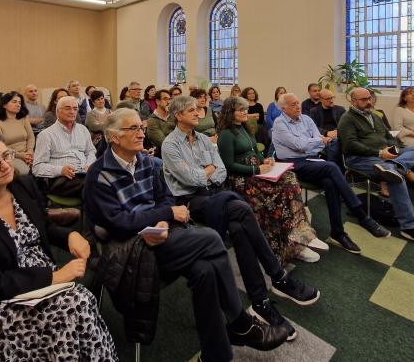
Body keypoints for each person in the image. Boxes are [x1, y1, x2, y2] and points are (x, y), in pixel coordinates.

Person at [84, 108, 288, 362]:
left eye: (142, 128)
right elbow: (119, 223)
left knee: (205, 271)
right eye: (133, 129)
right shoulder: (99, 174)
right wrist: (166, 214)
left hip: (162, 234)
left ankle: (216, 355)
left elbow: (166, 197)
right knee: (212, 238)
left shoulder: (148, 163)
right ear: (114, 137)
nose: (141, 134)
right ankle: (240, 323)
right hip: (130, 249)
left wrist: (162, 218)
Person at [0, 132, 117, 362]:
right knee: (74, 305)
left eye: (6, 155)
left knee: (76, 302)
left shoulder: (21, 185)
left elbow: (42, 225)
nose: (5, 166)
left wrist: (70, 235)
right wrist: (54, 277)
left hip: (42, 286)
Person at [162, 96, 320, 343]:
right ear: (178, 115)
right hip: (190, 203)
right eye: (191, 110)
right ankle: (277, 277)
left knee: (239, 227)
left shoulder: (203, 139)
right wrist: (208, 171)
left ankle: (261, 302)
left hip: (214, 195)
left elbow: (221, 170)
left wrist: (207, 172)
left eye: (198, 109)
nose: (198, 112)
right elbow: (191, 180)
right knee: (241, 209)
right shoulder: (170, 144)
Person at [272, 93, 391, 254]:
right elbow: (299, 145)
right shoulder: (280, 124)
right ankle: (361, 215)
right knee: (332, 167)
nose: (298, 106)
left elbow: (318, 145)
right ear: (283, 108)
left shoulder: (306, 119)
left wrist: (314, 143)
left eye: (298, 102)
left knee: (330, 182)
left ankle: (338, 232)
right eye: (293, 105)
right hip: (291, 164)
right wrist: (316, 141)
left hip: (312, 160)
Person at [217, 96, 323, 264]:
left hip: (258, 172)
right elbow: (228, 165)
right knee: (282, 196)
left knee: (290, 178)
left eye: (246, 109)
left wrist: (264, 160)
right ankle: (292, 244)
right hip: (242, 180)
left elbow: (255, 151)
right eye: (241, 110)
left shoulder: (244, 128)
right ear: (230, 113)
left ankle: (301, 233)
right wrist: (255, 169)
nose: (246, 112)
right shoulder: (225, 134)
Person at [338, 87, 414, 247]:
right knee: (394, 177)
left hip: (386, 156)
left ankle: (395, 165)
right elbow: (350, 146)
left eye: (370, 98)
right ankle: (410, 227)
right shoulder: (347, 119)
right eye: (364, 99)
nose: (369, 101)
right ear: (354, 101)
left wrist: (394, 150)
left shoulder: (374, 116)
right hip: (360, 159)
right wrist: (379, 153)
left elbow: (388, 135)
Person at [33, 96, 96, 197]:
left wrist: (89, 165)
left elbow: (91, 152)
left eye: (75, 109)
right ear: (58, 112)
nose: (72, 112)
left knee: (108, 180)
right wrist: (60, 170)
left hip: (84, 174)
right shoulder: (46, 135)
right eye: (68, 108)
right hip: (60, 180)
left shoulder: (83, 130)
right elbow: (37, 168)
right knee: (94, 185)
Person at [0, 91, 35, 175]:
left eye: (20, 103)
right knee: (24, 172)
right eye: (14, 102)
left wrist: (30, 152)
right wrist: (21, 155)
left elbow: (31, 137)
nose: (18, 105)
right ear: (4, 105)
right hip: (9, 156)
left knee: (42, 168)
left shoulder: (23, 119)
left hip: (28, 154)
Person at [309, 88, 346, 171]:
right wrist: (327, 133)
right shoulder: (314, 111)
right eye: (328, 98)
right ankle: (337, 171)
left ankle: (332, 170)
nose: (331, 100)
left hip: (338, 136)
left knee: (335, 143)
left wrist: (335, 132)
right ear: (321, 99)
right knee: (334, 144)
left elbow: (344, 124)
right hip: (323, 137)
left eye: (332, 97)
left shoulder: (340, 109)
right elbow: (313, 127)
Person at [146, 89, 175, 155]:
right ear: (157, 101)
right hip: (162, 154)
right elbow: (164, 142)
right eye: (165, 99)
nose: (168, 102)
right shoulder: (152, 120)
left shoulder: (173, 116)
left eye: (169, 99)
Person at [85, 90, 112, 155]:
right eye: (98, 99)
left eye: (102, 98)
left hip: (110, 137)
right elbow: (95, 127)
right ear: (93, 102)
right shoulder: (90, 114)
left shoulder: (110, 112)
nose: (101, 101)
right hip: (97, 141)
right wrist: (108, 122)